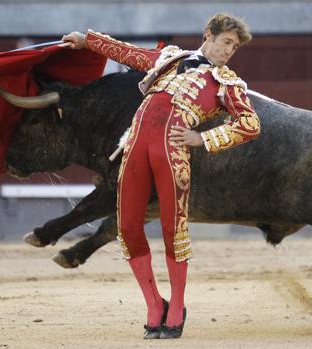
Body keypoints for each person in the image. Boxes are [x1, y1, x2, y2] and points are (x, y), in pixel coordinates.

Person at [62, 13, 260, 339]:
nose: (229, 51)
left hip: (171, 152)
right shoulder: (169, 58)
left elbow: (251, 124)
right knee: (126, 226)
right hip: (137, 145)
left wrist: (204, 139)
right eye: (227, 42)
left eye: (235, 47)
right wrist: (86, 41)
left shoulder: (228, 83)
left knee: (173, 229)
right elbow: (127, 53)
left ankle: (178, 308)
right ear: (208, 34)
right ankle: (155, 304)